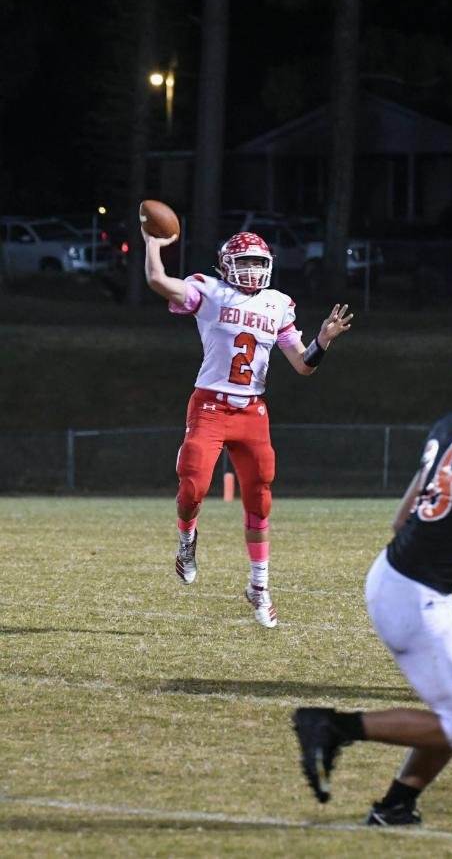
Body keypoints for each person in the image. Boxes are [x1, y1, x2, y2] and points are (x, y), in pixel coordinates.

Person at [292, 335, 452, 825]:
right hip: (413, 595)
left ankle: (396, 805)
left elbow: (402, 516)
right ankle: (331, 727)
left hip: (400, 576)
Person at [143, 228, 353, 628]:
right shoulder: (208, 291)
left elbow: (303, 365)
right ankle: (187, 541)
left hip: (252, 411)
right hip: (209, 404)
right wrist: (153, 243)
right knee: (193, 486)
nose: (254, 270)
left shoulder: (278, 305)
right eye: (245, 262)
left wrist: (324, 340)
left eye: (259, 262)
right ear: (225, 266)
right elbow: (157, 281)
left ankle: (259, 587)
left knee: (260, 499)